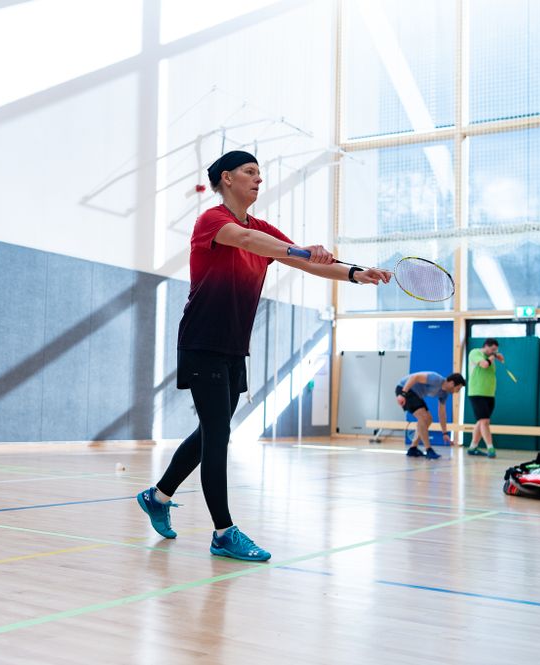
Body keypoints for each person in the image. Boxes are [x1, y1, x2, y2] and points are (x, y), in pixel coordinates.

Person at [136, 150, 392, 561]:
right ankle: (223, 533)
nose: (258, 179)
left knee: (211, 431)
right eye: (249, 172)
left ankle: (158, 496)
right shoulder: (212, 221)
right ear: (226, 178)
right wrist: (301, 251)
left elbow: (305, 261)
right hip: (202, 341)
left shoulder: (263, 229)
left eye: (260, 173)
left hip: (234, 346)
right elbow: (250, 242)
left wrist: (354, 273)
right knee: (217, 433)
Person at [395, 371, 466, 459]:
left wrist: (444, 433)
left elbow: (442, 413)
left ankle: (413, 448)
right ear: (452, 383)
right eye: (458, 389)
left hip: (415, 395)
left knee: (428, 419)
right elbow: (415, 377)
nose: (457, 392)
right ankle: (428, 449)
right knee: (423, 417)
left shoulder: (444, 394)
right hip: (405, 389)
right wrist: (403, 394)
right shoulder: (436, 379)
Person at [466, 338, 501, 458]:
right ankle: (490, 447)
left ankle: (473, 447)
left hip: (489, 394)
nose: (494, 352)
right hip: (477, 393)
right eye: (492, 349)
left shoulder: (490, 357)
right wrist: (493, 357)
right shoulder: (475, 353)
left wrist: (495, 357)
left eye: (495, 350)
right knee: (484, 421)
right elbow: (484, 365)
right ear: (486, 346)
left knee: (481, 421)